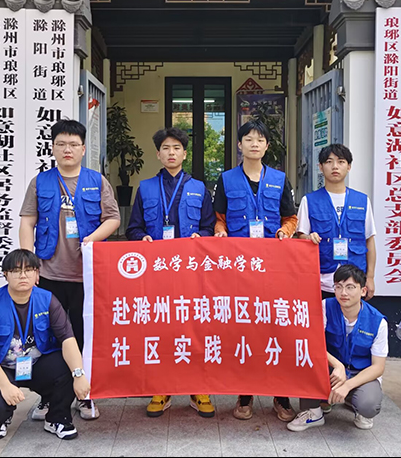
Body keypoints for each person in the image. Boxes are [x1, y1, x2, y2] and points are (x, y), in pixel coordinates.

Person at [19, 119, 120, 421]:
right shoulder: (40, 182)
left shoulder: (97, 181)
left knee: (83, 336)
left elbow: (113, 218)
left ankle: (86, 395)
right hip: (48, 274)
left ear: (83, 149)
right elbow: (27, 222)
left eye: (73, 144)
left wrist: (93, 238)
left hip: (86, 276)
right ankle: (49, 397)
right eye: (61, 144)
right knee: (47, 338)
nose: (67, 149)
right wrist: (29, 264)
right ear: (52, 147)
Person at [126, 127, 217, 418]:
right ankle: (162, 388)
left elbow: (209, 226)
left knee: (196, 329)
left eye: (176, 148)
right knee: (161, 329)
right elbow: (133, 228)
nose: (171, 153)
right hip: (158, 273)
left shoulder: (200, 188)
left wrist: (201, 237)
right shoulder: (145, 188)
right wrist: (142, 238)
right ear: (158, 154)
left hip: (191, 272)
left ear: (185, 154)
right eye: (166, 148)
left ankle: (198, 388)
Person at [213, 119, 298, 422]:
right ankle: (245, 393)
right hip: (239, 269)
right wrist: (220, 231)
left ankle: (280, 395)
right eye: (248, 139)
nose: (254, 144)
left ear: (266, 146)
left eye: (259, 139)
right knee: (245, 330)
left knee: (276, 328)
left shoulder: (279, 179)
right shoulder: (226, 179)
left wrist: (286, 232)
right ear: (239, 145)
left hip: (273, 268)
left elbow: (290, 218)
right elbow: (219, 218)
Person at [0, 249, 91, 441]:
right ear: (5, 274)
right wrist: (5, 386)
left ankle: (57, 418)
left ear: (37, 274)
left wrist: (79, 374)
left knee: (68, 366)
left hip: (37, 364)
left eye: (28, 270)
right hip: (4, 367)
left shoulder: (47, 299)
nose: (23, 275)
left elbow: (67, 339)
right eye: (16, 271)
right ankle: (1, 418)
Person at [287, 264, 387, 432]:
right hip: (331, 369)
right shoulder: (326, 307)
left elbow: (378, 367)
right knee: (304, 360)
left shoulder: (378, 322)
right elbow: (311, 343)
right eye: (338, 287)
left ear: (363, 291)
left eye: (350, 287)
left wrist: (348, 385)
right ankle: (313, 412)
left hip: (360, 373)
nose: (343, 293)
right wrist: (337, 365)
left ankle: (355, 401)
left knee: (368, 405)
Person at [297, 144, 376, 301]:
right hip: (321, 281)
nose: (335, 166)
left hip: (355, 280)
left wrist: (371, 277)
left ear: (349, 167)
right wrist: (309, 238)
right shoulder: (309, 201)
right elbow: (301, 237)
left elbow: (369, 240)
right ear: (320, 167)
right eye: (329, 162)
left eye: (341, 162)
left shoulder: (362, 201)